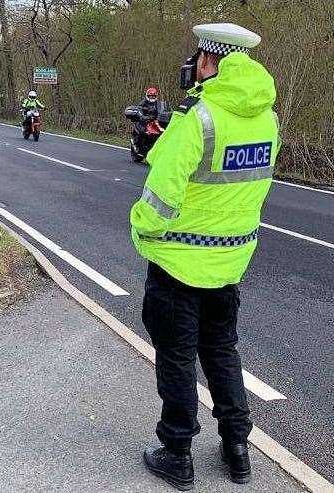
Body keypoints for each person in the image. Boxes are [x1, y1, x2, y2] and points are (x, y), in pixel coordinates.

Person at [130, 23, 280, 490]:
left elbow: (160, 197)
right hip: (230, 262)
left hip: (178, 263)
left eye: (198, 57)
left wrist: (141, 227)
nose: (193, 65)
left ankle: (177, 453)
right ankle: (237, 449)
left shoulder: (198, 116)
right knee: (221, 350)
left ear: (211, 61)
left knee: (176, 358)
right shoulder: (268, 118)